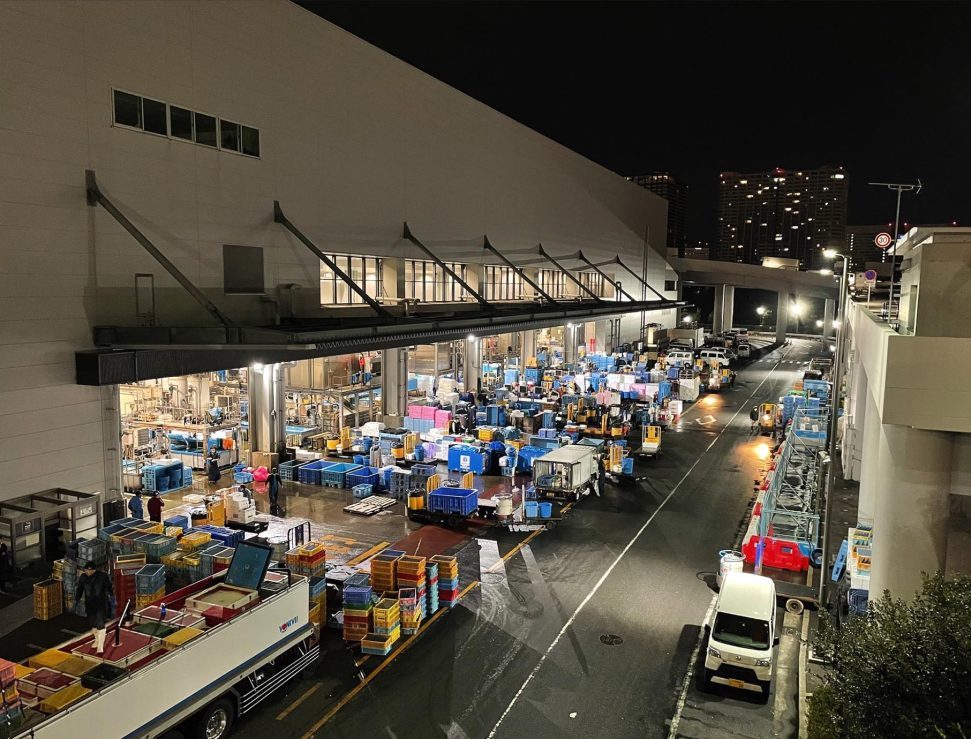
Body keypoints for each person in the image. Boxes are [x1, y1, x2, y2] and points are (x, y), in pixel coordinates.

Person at [77, 562, 114, 655]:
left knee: (100, 623)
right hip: (89, 604)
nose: (87, 572)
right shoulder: (83, 577)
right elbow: (80, 589)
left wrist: (112, 598)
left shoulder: (102, 576)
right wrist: (76, 600)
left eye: (89, 570)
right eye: (86, 570)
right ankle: (97, 640)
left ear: (93, 570)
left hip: (100, 604)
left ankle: (100, 646)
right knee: (93, 624)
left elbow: (109, 587)